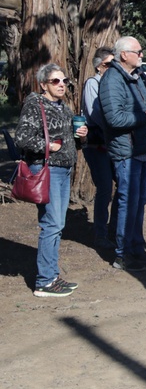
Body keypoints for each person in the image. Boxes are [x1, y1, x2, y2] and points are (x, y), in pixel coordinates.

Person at [17, 64, 88, 297]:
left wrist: (80, 138)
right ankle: (45, 281)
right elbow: (22, 138)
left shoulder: (64, 108)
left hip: (63, 170)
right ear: (44, 84)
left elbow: (71, 143)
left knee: (57, 225)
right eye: (55, 81)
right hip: (48, 170)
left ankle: (52, 276)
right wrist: (48, 146)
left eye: (64, 81)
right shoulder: (35, 105)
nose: (61, 85)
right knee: (52, 225)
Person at [99, 37, 146, 272]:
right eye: (139, 51)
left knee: (139, 202)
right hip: (126, 152)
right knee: (128, 202)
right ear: (124, 54)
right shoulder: (112, 80)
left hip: (141, 150)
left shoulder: (136, 78)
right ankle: (122, 254)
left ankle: (136, 248)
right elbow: (114, 118)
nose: (142, 55)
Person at [81, 47, 115, 249]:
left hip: (111, 143)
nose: (111, 68)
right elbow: (96, 115)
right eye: (107, 64)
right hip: (97, 145)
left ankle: (115, 229)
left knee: (120, 188)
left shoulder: (112, 84)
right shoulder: (93, 84)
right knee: (104, 189)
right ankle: (101, 235)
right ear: (98, 66)